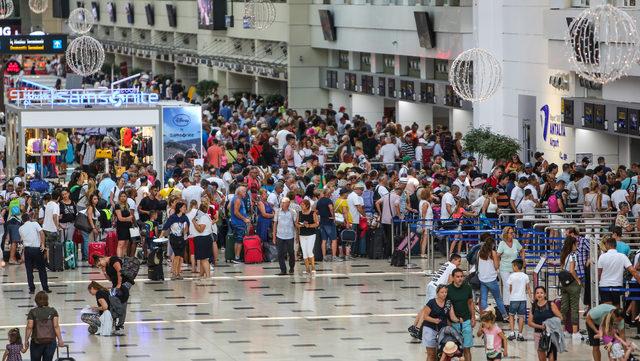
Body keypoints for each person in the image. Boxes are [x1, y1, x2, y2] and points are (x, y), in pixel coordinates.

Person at [93, 255, 133, 336]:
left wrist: (119, 284)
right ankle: (116, 324)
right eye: (99, 267)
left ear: (101, 259)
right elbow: (110, 279)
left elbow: (119, 271)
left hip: (124, 283)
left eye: (100, 265)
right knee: (113, 302)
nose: (101, 267)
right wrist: (104, 271)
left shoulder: (114, 260)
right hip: (116, 285)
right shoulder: (106, 266)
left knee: (121, 302)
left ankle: (120, 326)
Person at [416, 284, 456, 361]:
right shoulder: (431, 302)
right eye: (442, 292)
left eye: (446, 292)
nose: (444, 294)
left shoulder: (448, 303)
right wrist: (434, 320)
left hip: (443, 330)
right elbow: (425, 316)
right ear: (437, 293)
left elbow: (453, 317)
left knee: (441, 353)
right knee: (431, 354)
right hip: (430, 329)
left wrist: (461, 320)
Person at [598, 237, 640, 307]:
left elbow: (599, 273)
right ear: (615, 245)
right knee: (616, 312)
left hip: (604, 286)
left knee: (606, 311)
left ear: (607, 245)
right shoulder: (622, 256)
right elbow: (633, 271)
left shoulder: (602, 257)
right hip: (617, 287)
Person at [24, 291, 64, 361]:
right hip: (51, 341)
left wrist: (26, 340)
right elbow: (56, 326)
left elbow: (29, 327)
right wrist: (60, 339)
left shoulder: (33, 312)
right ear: (47, 300)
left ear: (36, 300)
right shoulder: (53, 311)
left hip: (36, 341)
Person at [477, 237, 508, 321]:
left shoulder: (479, 252)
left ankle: (485, 315)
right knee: (498, 299)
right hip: (491, 279)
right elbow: (496, 266)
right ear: (493, 244)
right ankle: (505, 316)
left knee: (483, 299)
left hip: (482, 278)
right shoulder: (493, 253)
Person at [528, 286, 562, 361]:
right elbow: (530, 323)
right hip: (538, 334)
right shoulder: (533, 306)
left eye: (541, 293)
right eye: (537, 293)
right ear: (535, 295)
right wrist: (541, 327)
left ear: (545, 294)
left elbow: (560, 317)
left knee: (552, 358)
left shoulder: (551, 304)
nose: (539, 294)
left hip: (552, 334)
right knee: (541, 358)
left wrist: (550, 324)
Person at [447, 268, 475, 361]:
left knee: (467, 348)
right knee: (455, 350)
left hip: (466, 321)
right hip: (453, 324)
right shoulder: (448, 289)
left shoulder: (467, 288)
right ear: (453, 277)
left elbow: (470, 303)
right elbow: (446, 307)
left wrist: (473, 317)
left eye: (461, 276)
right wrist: (448, 322)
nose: (460, 279)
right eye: (458, 277)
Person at [19, 213, 50, 295]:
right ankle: (45, 288)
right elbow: (42, 233)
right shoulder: (35, 224)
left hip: (27, 251)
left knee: (29, 270)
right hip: (37, 249)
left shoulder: (20, 228)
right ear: (29, 218)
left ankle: (32, 289)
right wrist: (42, 244)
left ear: (22, 220)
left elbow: (22, 240)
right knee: (42, 270)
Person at [559, 236, 581, 339]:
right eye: (576, 244)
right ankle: (575, 332)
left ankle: (563, 330)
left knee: (564, 308)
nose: (577, 246)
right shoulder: (573, 256)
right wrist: (578, 280)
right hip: (572, 284)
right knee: (574, 307)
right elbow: (572, 271)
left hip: (564, 284)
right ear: (572, 244)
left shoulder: (564, 255)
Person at [162, 202, 189, 280]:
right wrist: (161, 236)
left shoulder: (185, 217)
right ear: (180, 208)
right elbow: (166, 226)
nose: (185, 209)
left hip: (182, 238)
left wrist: (184, 233)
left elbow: (187, 227)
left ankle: (177, 273)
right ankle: (175, 273)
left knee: (180, 257)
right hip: (174, 238)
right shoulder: (173, 217)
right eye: (184, 207)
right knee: (177, 256)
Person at [273, 197, 298, 275]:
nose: (282, 204)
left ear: (288, 203)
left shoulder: (292, 212)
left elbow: (296, 224)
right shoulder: (277, 212)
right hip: (280, 235)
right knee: (280, 253)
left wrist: (297, 235)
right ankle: (283, 270)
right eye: (282, 202)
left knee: (291, 252)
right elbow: (275, 224)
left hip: (290, 235)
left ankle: (291, 268)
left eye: (284, 202)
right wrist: (274, 236)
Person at [507, 259, 530, 342]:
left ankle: (512, 333)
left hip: (514, 299)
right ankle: (520, 334)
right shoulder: (525, 276)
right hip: (523, 299)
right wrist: (531, 297)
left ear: (516, 267)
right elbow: (528, 288)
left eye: (513, 266)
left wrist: (512, 294)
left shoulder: (511, 276)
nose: (512, 268)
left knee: (511, 315)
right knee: (521, 317)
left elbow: (510, 288)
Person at [192, 203, 214, 281]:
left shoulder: (203, 218)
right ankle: (201, 274)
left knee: (204, 259)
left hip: (203, 238)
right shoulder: (207, 216)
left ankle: (208, 276)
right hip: (206, 238)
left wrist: (194, 222)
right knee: (202, 258)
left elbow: (200, 230)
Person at [229, 186, 250, 264]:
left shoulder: (237, 198)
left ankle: (236, 257)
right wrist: (244, 219)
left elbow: (229, 207)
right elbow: (236, 212)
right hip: (238, 223)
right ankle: (236, 258)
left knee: (238, 240)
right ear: (239, 192)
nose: (245, 193)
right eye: (244, 191)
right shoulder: (237, 199)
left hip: (237, 222)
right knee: (239, 240)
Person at [316, 188, 338, 261]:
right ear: (328, 194)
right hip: (329, 221)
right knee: (334, 239)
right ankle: (334, 256)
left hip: (322, 222)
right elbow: (331, 208)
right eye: (330, 193)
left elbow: (316, 211)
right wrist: (333, 217)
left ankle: (324, 257)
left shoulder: (319, 201)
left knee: (324, 240)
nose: (331, 194)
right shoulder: (329, 200)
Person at [298, 199, 318, 275]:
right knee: (304, 252)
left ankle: (313, 267)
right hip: (302, 235)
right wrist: (301, 225)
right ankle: (307, 269)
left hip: (311, 234)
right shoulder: (299, 213)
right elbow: (296, 223)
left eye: (303, 204)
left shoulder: (313, 213)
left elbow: (316, 224)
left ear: (307, 206)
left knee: (309, 251)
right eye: (301, 204)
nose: (301, 206)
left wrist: (309, 225)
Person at [114, 192, 134, 258]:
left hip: (128, 227)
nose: (123, 197)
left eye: (124, 196)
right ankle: (119, 259)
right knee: (120, 244)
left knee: (126, 244)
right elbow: (120, 218)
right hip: (121, 227)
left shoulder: (127, 205)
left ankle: (123, 259)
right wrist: (128, 218)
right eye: (121, 196)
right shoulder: (117, 206)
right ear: (119, 197)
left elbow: (130, 216)